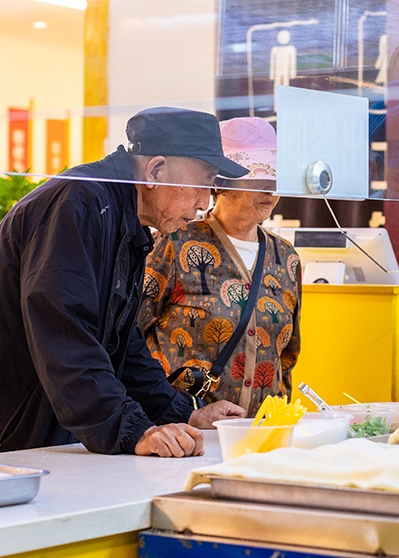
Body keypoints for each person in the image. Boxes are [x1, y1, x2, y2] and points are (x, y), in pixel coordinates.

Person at [0, 107, 248, 456]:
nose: (204, 203)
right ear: (157, 170)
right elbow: (65, 331)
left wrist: (184, 415)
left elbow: (121, 341)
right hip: (14, 433)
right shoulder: (83, 203)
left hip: (43, 433)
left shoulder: (120, 215)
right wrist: (130, 429)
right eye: (203, 183)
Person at [138, 117, 301, 416]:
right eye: (258, 176)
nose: (271, 188)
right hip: (185, 426)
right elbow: (132, 332)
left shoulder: (286, 258)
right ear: (221, 182)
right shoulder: (176, 241)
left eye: (278, 177)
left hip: (261, 431)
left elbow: (287, 356)